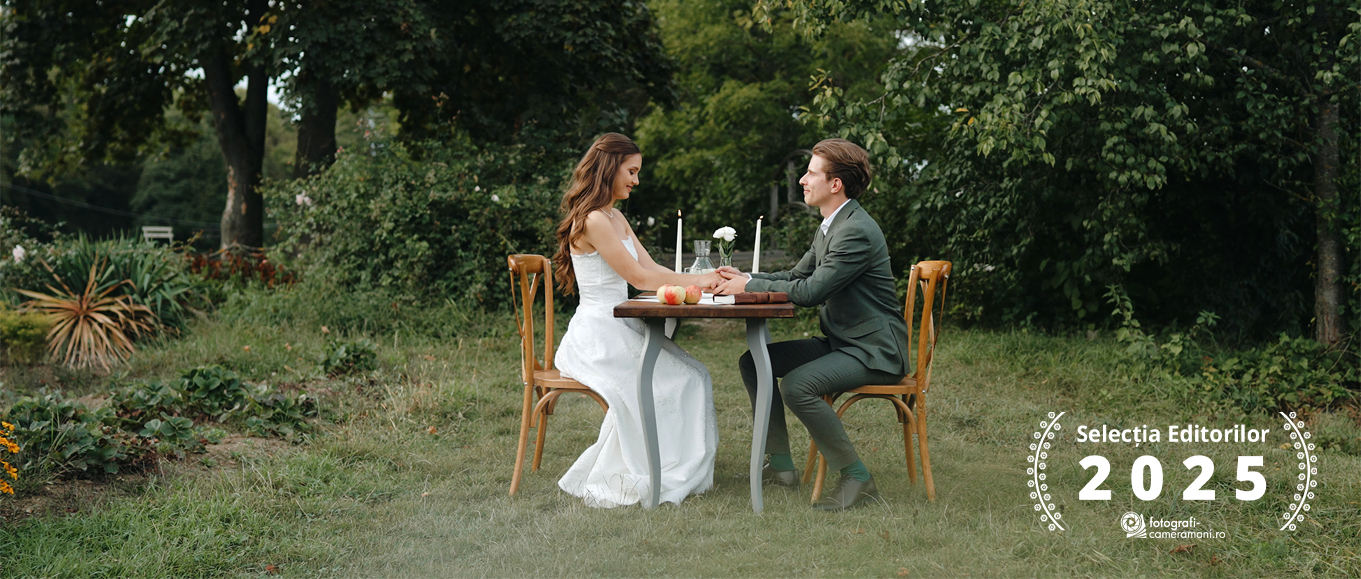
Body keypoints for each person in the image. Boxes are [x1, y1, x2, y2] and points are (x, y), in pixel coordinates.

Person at [713, 138, 909, 511]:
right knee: (755, 362)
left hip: (875, 350)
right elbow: (795, 274)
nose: (803, 180)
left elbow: (810, 291)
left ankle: (857, 478)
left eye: (811, 173)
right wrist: (745, 275)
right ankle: (781, 467)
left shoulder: (855, 231)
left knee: (798, 385)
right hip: (845, 341)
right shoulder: (831, 225)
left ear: (836, 184)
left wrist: (749, 286)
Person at [551, 133, 723, 508]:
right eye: (631, 171)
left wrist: (701, 280)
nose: (636, 180)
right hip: (599, 331)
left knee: (694, 375)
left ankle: (676, 464)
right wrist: (700, 281)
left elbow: (651, 268)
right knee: (679, 380)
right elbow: (640, 280)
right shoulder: (595, 219)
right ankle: (659, 467)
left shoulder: (615, 216)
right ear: (609, 167)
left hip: (622, 323)